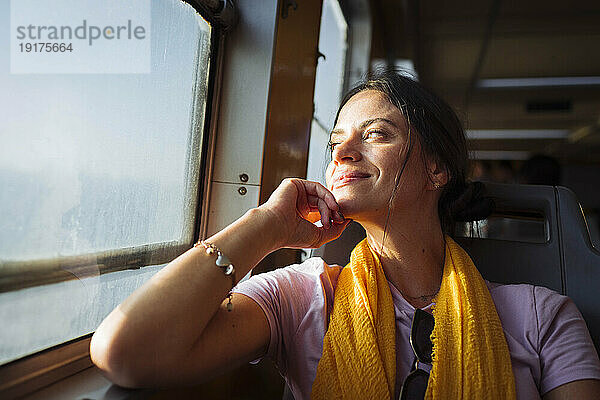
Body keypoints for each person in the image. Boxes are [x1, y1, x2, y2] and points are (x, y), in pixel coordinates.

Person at [90, 70, 600, 399]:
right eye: (336, 141)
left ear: (437, 168)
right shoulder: (299, 297)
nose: (342, 153)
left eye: (375, 135)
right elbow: (126, 352)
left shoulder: (542, 316)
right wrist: (264, 227)